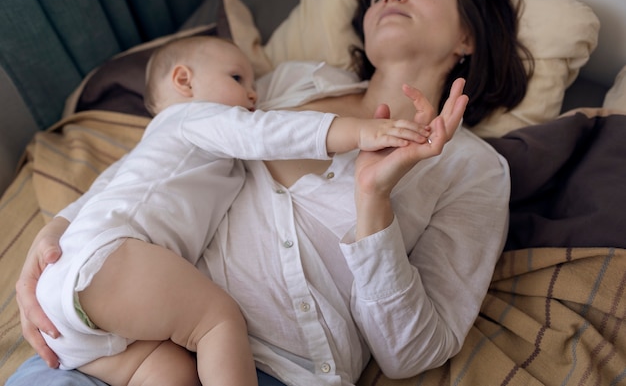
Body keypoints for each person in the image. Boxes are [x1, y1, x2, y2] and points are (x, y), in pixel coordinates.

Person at [10, 0, 532, 385]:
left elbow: (413, 352)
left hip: (272, 368)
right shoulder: (282, 82)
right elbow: (166, 149)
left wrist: (374, 202)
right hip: (121, 335)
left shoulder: (475, 169)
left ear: (467, 34)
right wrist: (61, 230)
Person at [25, 35, 432, 386]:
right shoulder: (194, 116)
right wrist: (360, 130)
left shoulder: (150, 146)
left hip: (70, 307)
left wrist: (53, 231)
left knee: (171, 373)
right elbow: (267, 133)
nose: (253, 94)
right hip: (110, 261)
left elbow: (95, 194)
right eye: (238, 79)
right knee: (218, 321)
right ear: (184, 81)